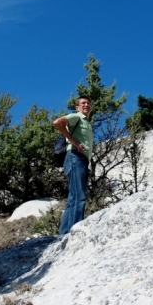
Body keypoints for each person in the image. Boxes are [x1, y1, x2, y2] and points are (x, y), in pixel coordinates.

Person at [53, 96, 93, 235]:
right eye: (83, 103)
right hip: (75, 157)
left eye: (88, 103)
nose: (86, 105)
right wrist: (73, 142)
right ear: (77, 107)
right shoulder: (77, 117)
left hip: (80, 160)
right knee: (79, 196)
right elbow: (58, 122)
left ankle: (64, 233)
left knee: (73, 197)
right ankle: (75, 231)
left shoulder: (87, 122)